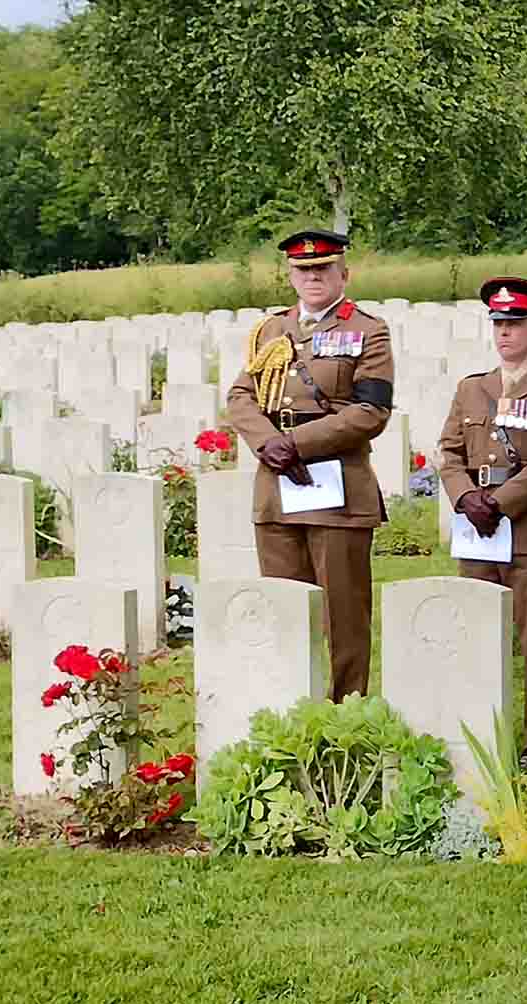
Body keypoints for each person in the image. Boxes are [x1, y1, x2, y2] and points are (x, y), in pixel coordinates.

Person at [226, 229, 394, 701]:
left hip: (337, 489)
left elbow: (370, 411)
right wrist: (267, 444)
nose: (313, 276)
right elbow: (240, 396)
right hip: (278, 489)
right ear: (291, 275)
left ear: (344, 272)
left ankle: (347, 712)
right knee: (284, 609)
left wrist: (295, 444)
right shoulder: (271, 331)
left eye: (323, 268)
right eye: (304, 270)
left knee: (344, 615)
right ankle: (290, 705)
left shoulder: (367, 330)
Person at [437, 277, 527, 760]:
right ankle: (478, 727)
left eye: (516, 323)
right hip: (476, 530)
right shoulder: (471, 389)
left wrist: (500, 502)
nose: (505, 333)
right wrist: (463, 498)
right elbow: (447, 452)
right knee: (474, 632)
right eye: (498, 323)